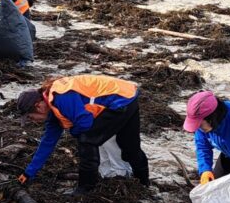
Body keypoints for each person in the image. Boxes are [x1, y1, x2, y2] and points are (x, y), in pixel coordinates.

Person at [16, 75, 149, 196]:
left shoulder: (61, 97)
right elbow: (47, 143)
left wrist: (74, 133)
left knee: (87, 140)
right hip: (128, 95)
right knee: (129, 147)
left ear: (38, 106)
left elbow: (85, 123)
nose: (33, 121)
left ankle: (85, 189)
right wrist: (29, 173)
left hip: (119, 101)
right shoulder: (53, 108)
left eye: (30, 117)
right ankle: (144, 184)